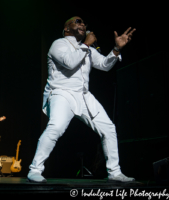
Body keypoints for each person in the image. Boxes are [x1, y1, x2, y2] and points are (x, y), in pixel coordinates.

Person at [27, 16, 136, 183]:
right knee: (56, 127)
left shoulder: (88, 49)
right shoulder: (59, 44)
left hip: (84, 95)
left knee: (109, 129)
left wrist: (116, 49)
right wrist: (86, 44)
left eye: (84, 22)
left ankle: (115, 172)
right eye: (77, 22)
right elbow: (70, 62)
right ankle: (35, 169)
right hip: (61, 92)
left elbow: (105, 65)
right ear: (67, 29)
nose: (82, 24)